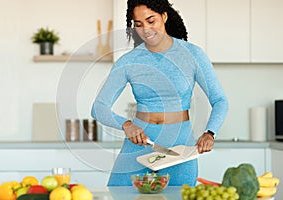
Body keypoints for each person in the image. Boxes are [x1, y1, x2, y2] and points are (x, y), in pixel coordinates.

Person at [91, 0, 228, 187]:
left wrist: (210, 133)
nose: (145, 29)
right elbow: (98, 107)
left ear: (164, 16)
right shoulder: (129, 61)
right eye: (138, 25)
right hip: (138, 144)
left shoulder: (192, 55)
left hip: (179, 147)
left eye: (151, 21)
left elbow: (220, 100)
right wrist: (126, 125)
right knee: (119, 194)